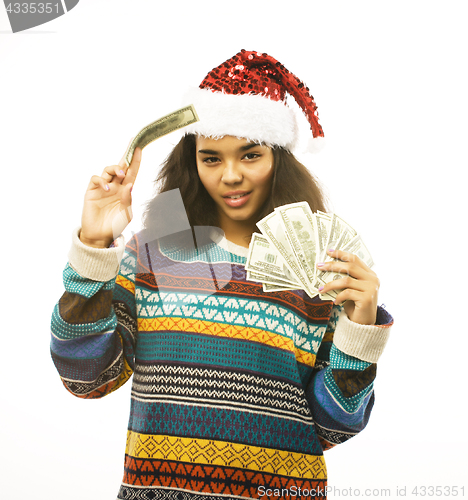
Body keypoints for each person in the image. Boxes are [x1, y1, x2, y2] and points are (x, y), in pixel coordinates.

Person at [51, 50, 393, 500]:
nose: (230, 175)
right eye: (211, 158)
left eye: (250, 154)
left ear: (279, 158)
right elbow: (88, 376)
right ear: (191, 161)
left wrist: (359, 330)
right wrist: (94, 247)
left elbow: (334, 425)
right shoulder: (153, 251)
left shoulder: (321, 269)